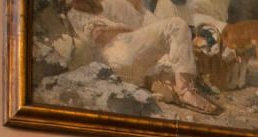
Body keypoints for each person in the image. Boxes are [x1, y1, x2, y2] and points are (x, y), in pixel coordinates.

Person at [65, 0, 219, 114]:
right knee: (176, 25)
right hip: (114, 53)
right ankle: (184, 91)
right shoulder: (73, 12)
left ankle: (166, 86)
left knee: (174, 52)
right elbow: (98, 35)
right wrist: (124, 28)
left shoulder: (104, 6)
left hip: (124, 57)